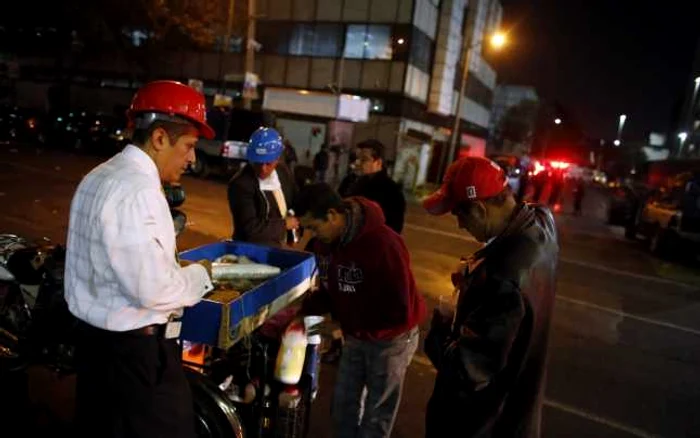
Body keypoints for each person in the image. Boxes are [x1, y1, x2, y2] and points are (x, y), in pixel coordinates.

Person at [64, 80, 215, 438]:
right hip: (134, 359)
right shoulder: (138, 191)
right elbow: (154, 290)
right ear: (160, 138)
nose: (192, 159)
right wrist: (199, 276)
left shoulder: (97, 176)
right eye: (189, 146)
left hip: (94, 349)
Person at [422, 156, 559, 438]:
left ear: (480, 209)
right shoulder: (541, 222)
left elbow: (467, 369)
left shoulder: (504, 277)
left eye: (459, 215)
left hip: (483, 424)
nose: (460, 225)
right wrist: (479, 263)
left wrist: (440, 328)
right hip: (514, 412)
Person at [295, 183, 426, 438]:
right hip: (356, 335)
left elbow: (397, 310)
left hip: (392, 339)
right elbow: (329, 289)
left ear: (332, 215)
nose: (309, 235)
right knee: (343, 405)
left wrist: (341, 328)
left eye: (313, 226)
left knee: (376, 415)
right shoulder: (324, 246)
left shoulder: (384, 244)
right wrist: (304, 315)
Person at [227, 127, 299, 247]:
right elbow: (251, 229)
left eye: (268, 163)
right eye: (258, 163)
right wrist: (284, 224)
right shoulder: (240, 185)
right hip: (251, 250)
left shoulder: (282, 172)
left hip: (278, 245)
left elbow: (294, 198)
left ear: (277, 159)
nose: (263, 169)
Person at [342, 139, 406, 234]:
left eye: (364, 159)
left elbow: (394, 228)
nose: (357, 163)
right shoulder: (349, 181)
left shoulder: (391, 190)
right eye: (356, 158)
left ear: (378, 162)